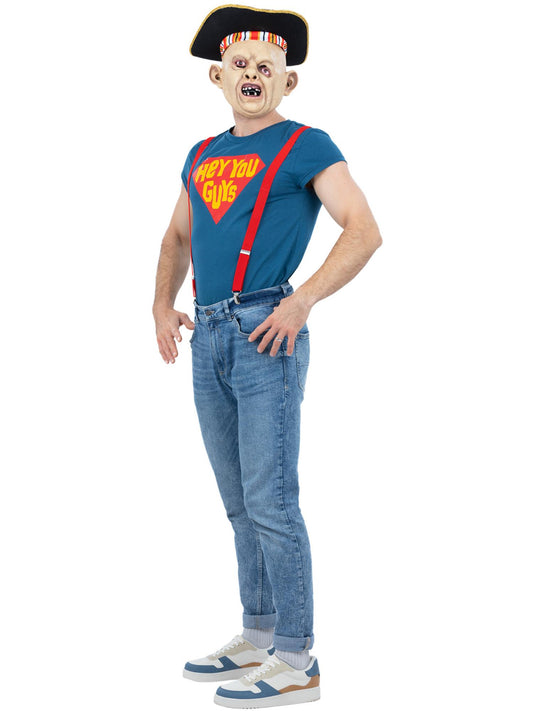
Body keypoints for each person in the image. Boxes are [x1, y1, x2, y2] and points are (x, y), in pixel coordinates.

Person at [152, 5, 382, 708]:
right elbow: (176, 238)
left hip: (265, 331)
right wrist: (161, 306)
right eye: (240, 65)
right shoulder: (201, 153)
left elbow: (364, 229)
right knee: (238, 503)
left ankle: (297, 658)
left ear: (289, 82)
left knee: (272, 502)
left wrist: (302, 299)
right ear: (219, 77)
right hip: (208, 334)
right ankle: (257, 635)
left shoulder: (306, 145)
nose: (252, 74)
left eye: (267, 66)